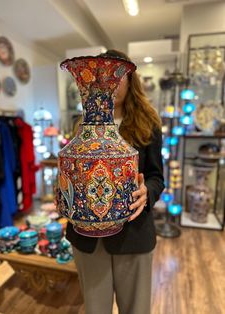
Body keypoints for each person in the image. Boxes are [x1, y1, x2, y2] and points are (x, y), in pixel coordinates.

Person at [66, 49, 164, 314]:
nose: (109, 83)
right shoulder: (80, 125)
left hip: (133, 234)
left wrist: (147, 192)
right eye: (99, 75)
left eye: (117, 76)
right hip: (87, 239)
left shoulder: (148, 123)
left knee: (136, 308)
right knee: (95, 309)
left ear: (130, 80)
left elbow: (157, 177)